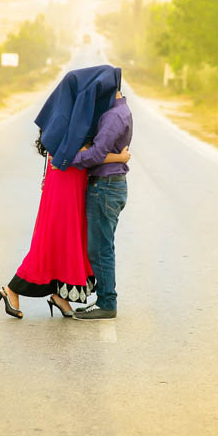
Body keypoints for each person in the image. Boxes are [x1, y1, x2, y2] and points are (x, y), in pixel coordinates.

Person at [0, 65, 128, 319]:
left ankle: (59, 295)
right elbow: (71, 155)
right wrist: (120, 156)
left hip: (76, 182)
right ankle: (11, 289)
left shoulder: (79, 117)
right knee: (52, 238)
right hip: (64, 183)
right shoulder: (68, 122)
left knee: (71, 240)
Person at [70, 87, 132, 321]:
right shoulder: (119, 111)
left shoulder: (113, 116)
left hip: (105, 186)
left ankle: (107, 303)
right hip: (110, 184)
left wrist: (68, 159)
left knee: (100, 248)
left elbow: (97, 154)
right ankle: (105, 299)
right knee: (102, 246)